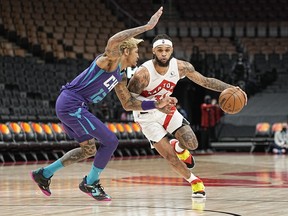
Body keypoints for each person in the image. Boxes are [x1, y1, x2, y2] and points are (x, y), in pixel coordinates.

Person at [30, 7, 177, 201]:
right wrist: (147, 26)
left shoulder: (120, 76)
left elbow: (129, 103)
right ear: (125, 51)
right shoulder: (109, 62)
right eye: (136, 51)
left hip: (71, 107)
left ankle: (44, 174)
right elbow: (113, 40)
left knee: (88, 150)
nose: (138, 56)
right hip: (72, 105)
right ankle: (90, 183)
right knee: (111, 141)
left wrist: (156, 104)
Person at [127, 34, 248, 198]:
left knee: (192, 143)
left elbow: (205, 81)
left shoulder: (181, 67)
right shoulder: (143, 74)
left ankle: (179, 147)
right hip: (146, 116)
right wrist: (156, 103)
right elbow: (128, 102)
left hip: (167, 110)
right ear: (153, 51)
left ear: (172, 51)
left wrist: (233, 89)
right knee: (170, 157)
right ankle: (195, 182)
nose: (163, 53)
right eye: (160, 50)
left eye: (167, 50)